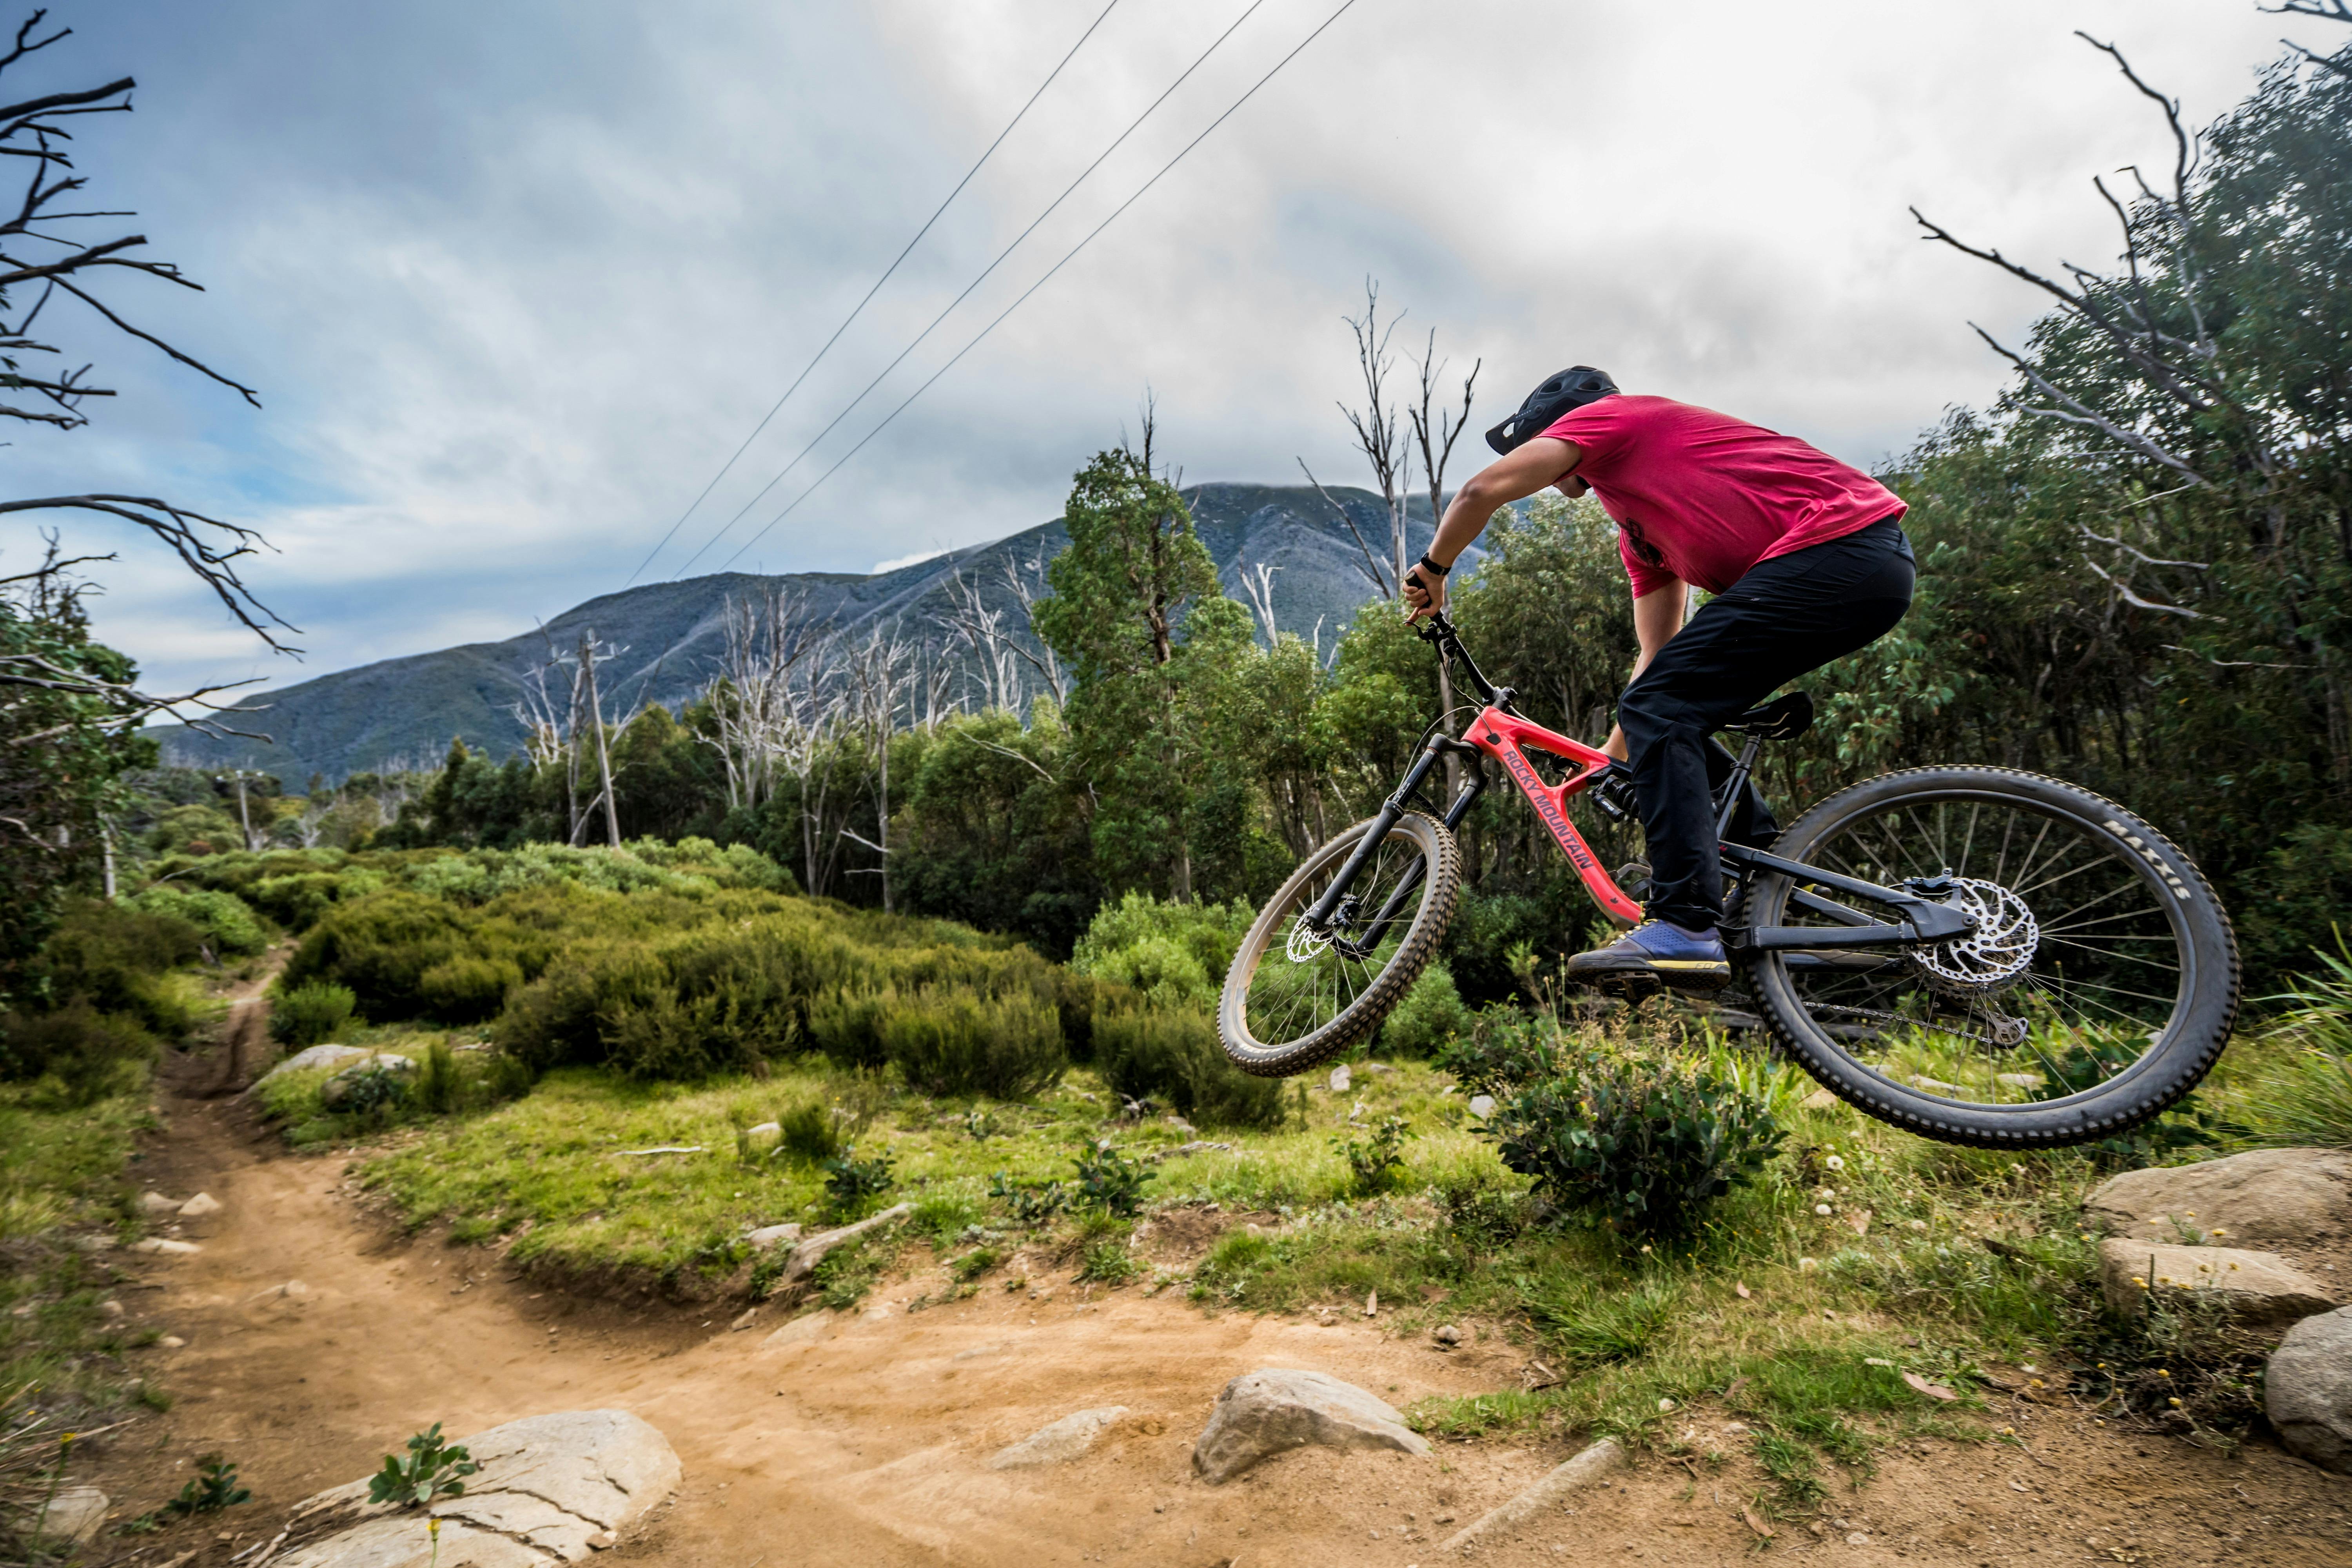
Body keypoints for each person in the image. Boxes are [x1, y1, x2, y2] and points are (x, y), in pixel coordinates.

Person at [1400, 367, 1916, 991]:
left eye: (1536, 445)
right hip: (1852, 569)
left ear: (1557, 429)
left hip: (1846, 547)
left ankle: (1686, 925)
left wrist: (1434, 568)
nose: (1539, 462)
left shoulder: (1614, 417)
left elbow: (1482, 491)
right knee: (1670, 711)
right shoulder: (1639, 536)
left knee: (1664, 708)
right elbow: (1658, 654)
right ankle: (1773, 884)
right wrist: (1615, 762)